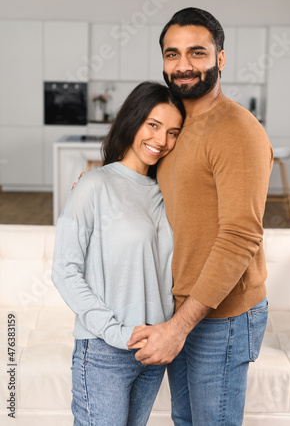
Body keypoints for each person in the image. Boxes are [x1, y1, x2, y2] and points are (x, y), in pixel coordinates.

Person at [127, 8, 274, 425]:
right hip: (183, 307)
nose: (184, 65)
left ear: (220, 59)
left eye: (197, 52)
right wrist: (97, 183)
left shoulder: (236, 130)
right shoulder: (175, 127)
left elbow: (241, 237)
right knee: (186, 420)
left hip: (221, 316)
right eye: (172, 54)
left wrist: (179, 327)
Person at [51, 81, 185, 426]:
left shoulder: (165, 192)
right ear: (133, 120)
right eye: (153, 125)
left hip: (154, 350)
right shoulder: (95, 185)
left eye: (173, 132)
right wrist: (115, 332)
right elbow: (65, 270)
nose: (161, 140)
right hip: (105, 350)